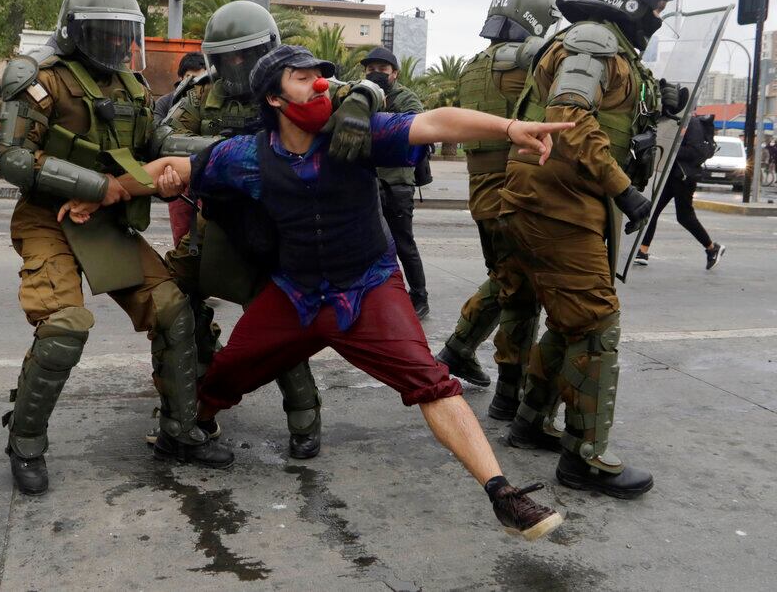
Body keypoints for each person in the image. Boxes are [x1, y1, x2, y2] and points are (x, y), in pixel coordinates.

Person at [65, 44, 573, 540]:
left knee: (432, 382)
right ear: (273, 98)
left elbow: (437, 122)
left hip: (369, 290)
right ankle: (185, 430)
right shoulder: (245, 156)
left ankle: (503, 494)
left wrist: (510, 128)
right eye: (303, 77)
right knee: (223, 376)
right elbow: (168, 171)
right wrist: (106, 192)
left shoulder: (357, 135)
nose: (321, 83)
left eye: (321, 74)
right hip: (296, 297)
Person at [0, 0, 233, 496]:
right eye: (107, 32)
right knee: (64, 324)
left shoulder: (132, 86)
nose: (118, 43)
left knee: (172, 307)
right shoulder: (37, 77)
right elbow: (13, 158)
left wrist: (225, 149)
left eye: (124, 33)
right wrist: (100, 185)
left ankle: (178, 430)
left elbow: (160, 141)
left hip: (108, 223)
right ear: (78, 32)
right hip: (48, 218)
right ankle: (26, 440)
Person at [155, 0, 385, 459]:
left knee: (281, 325)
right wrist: (233, 153)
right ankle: (187, 402)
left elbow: (360, 90)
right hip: (217, 225)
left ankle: (303, 418)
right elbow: (164, 138)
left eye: (248, 55)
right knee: (172, 301)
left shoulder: (290, 82)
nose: (238, 67)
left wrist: (361, 103)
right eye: (228, 58)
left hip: (282, 228)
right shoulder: (202, 94)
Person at [499, 0, 688, 498]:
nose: (661, 10)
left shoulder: (609, 46)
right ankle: (585, 459)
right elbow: (569, 115)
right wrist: (624, 189)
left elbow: (607, 106)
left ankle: (531, 420)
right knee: (597, 324)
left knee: (570, 319)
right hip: (557, 203)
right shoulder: (594, 41)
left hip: (554, 200)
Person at [435, 0, 560, 420]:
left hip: (482, 192)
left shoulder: (472, 65)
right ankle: (510, 391)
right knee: (521, 294)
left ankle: (458, 348)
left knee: (507, 278)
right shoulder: (524, 60)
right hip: (515, 191)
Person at [360, 46, 429, 318]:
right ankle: (376, 295)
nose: (375, 73)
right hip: (367, 180)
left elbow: (415, 126)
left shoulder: (405, 97)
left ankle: (420, 296)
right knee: (369, 243)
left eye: (382, 70)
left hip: (398, 182)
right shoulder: (360, 95)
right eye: (370, 69)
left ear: (395, 74)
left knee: (403, 243)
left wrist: (380, 109)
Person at [637, 114, 725, 269]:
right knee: (652, 211)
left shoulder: (694, 124)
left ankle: (712, 248)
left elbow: (695, 151)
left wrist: (671, 149)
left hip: (684, 178)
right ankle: (642, 252)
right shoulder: (678, 122)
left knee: (684, 217)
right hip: (672, 176)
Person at [158, 51, 207, 246]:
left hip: (205, 176)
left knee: (206, 233)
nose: (194, 81)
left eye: (199, 76)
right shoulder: (166, 102)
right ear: (180, 77)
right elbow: (159, 135)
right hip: (179, 178)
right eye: (189, 76)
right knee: (181, 234)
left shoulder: (210, 101)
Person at [153, 51, 206, 127]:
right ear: (180, 77)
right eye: (191, 78)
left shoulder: (210, 102)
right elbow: (156, 131)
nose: (196, 83)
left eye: (201, 78)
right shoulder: (164, 103)